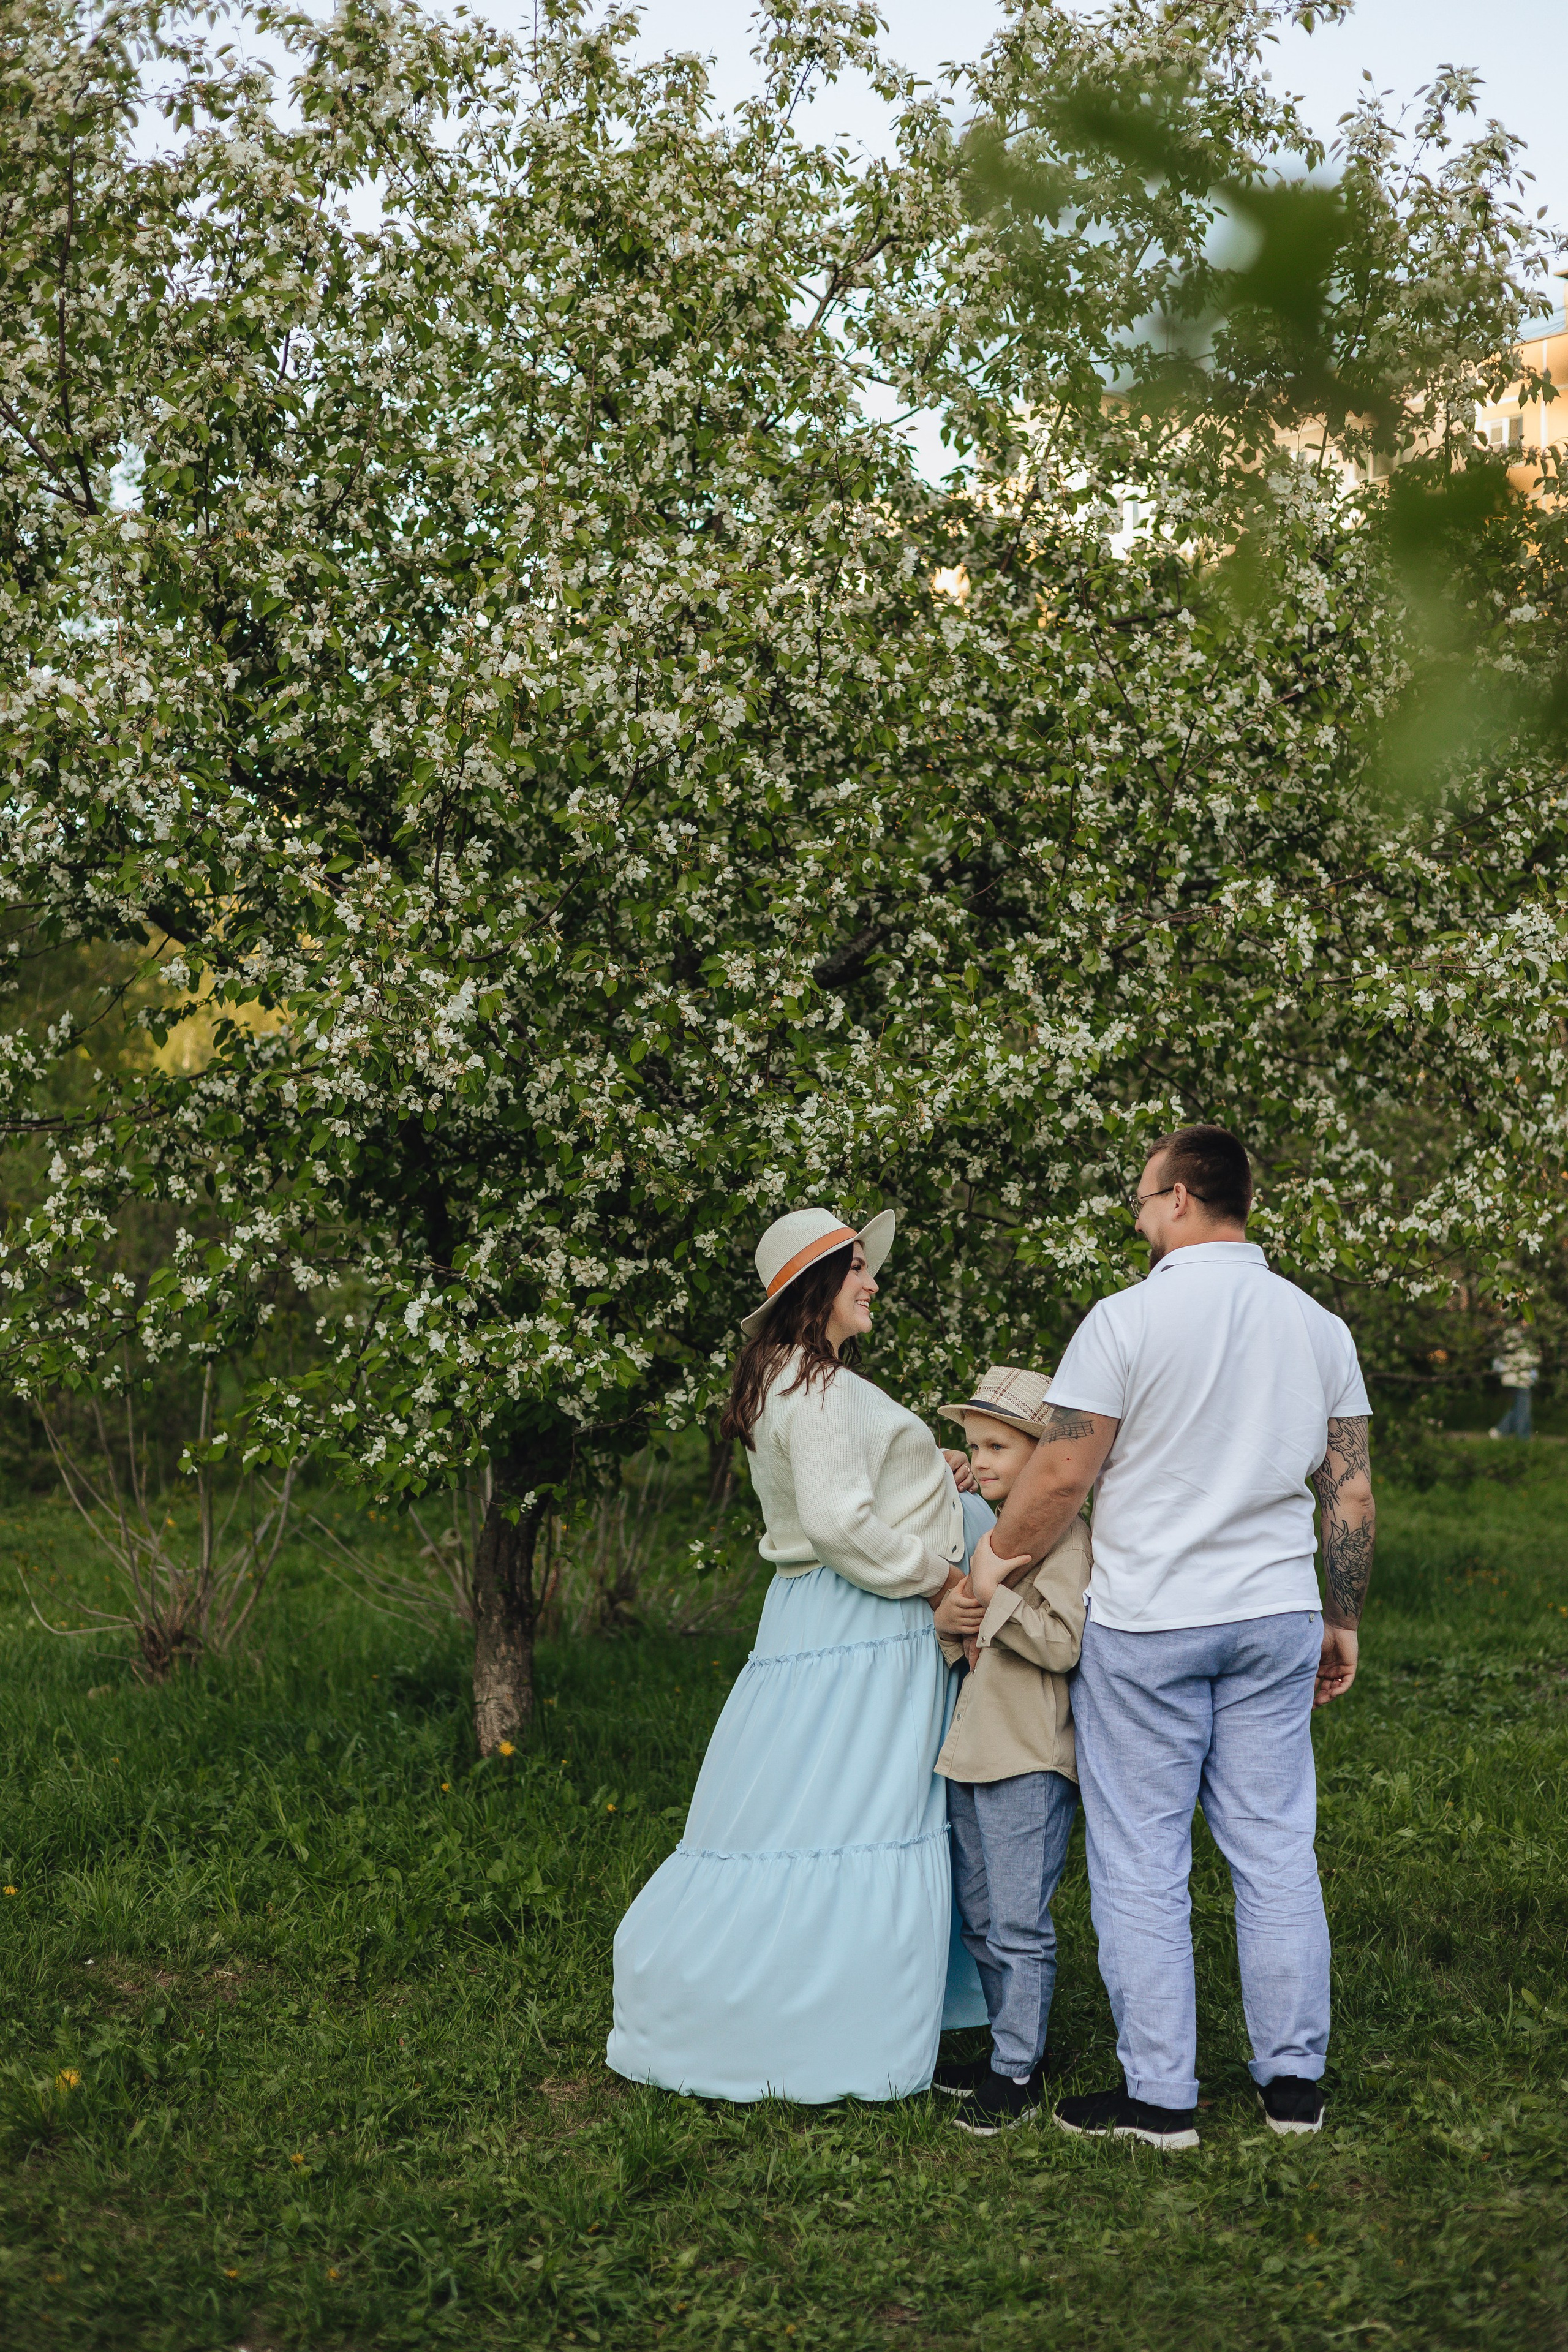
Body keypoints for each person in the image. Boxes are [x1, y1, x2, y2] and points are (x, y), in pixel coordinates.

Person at [970, 1125, 1375, 2152]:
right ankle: (1294, 2091)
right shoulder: (1318, 1327)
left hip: (1153, 1620)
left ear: (1185, 1198)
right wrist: (1342, 1616)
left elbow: (1060, 1476)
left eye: (1146, 1198)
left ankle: (1162, 2101)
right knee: (1277, 1846)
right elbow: (1349, 1488)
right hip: (1276, 1611)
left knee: (1142, 1858)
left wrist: (989, 1571)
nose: (1138, 1214)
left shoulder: (1122, 1322)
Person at [606, 1205, 991, 2103]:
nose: (873, 1281)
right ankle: (825, 2029)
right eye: (857, 1268)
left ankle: (835, 2012)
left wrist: (936, 1468)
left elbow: (853, 1482)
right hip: (860, 1626)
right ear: (817, 1288)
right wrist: (939, 1578)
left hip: (831, 1624)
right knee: (850, 1814)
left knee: (809, 1811)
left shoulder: (802, 1380)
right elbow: (835, 1519)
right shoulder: (815, 1387)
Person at [928, 1365, 1088, 2138]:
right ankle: (1009, 2050)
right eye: (973, 1446)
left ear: (1043, 1455)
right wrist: (955, 1615)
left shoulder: (1064, 1538)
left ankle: (1017, 2074)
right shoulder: (988, 1541)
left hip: (1028, 1756)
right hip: (973, 1752)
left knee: (1018, 1920)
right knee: (981, 1915)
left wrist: (995, 1601)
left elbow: (1061, 1642)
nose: (982, 1460)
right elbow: (967, 1644)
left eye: (998, 1445)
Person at [1489, 1324, 1540, 1441]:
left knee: (1520, 1407)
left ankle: (1500, 1431)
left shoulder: (1516, 1335)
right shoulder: (1515, 1335)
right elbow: (1526, 1358)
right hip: (1519, 1377)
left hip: (1519, 1377)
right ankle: (1522, 1438)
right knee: (1523, 1408)